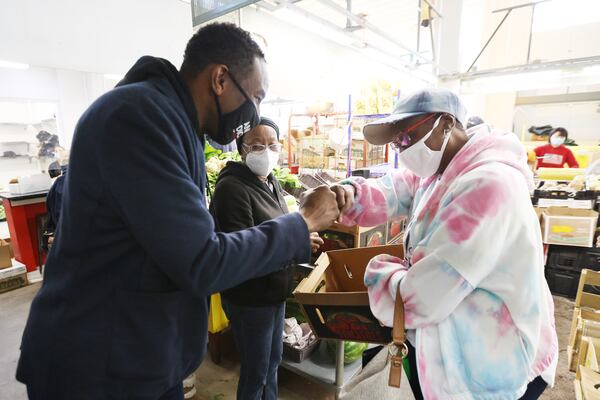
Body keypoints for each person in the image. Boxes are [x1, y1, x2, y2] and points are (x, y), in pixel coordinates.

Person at [16, 23, 340, 399]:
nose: (255, 113)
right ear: (220, 79)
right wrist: (301, 223)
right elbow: (202, 260)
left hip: (140, 354)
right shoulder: (139, 118)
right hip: (98, 365)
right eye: (255, 96)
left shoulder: (177, 124)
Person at [330, 89, 558, 400]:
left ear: (445, 123)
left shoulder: (488, 185)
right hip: (459, 338)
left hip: (493, 359)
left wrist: (377, 271)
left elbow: (421, 298)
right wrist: (348, 196)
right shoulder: (443, 169)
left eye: (406, 138)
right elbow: (397, 189)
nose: (401, 149)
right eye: (396, 142)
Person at [211, 117, 323, 400]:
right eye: (257, 145)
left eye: (272, 144)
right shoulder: (232, 189)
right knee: (256, 370)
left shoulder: (269, 181)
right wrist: (296, 242)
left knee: (273, 362)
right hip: (250, 298)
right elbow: (244, 252)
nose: (266, 151)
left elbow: (276, 228)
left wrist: (300, 234)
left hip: (273, 292)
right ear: (242, 150)